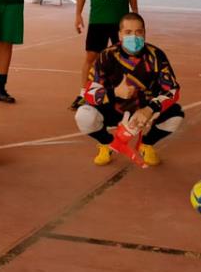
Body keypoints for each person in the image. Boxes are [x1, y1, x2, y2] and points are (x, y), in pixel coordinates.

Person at [75, 12, 184, 166]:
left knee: (176, 115)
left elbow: (173, 90)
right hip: (113, 109)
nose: (134, 37)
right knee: (84, 115)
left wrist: (150, 108)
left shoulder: (156, 56)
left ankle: (146, 144)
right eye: (128, 32)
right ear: (120, 35)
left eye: (138, 32)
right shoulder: (106, 56)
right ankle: (107, 143)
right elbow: (89, 93)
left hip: (144, 111)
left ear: (144, 33)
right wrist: (114, 92)